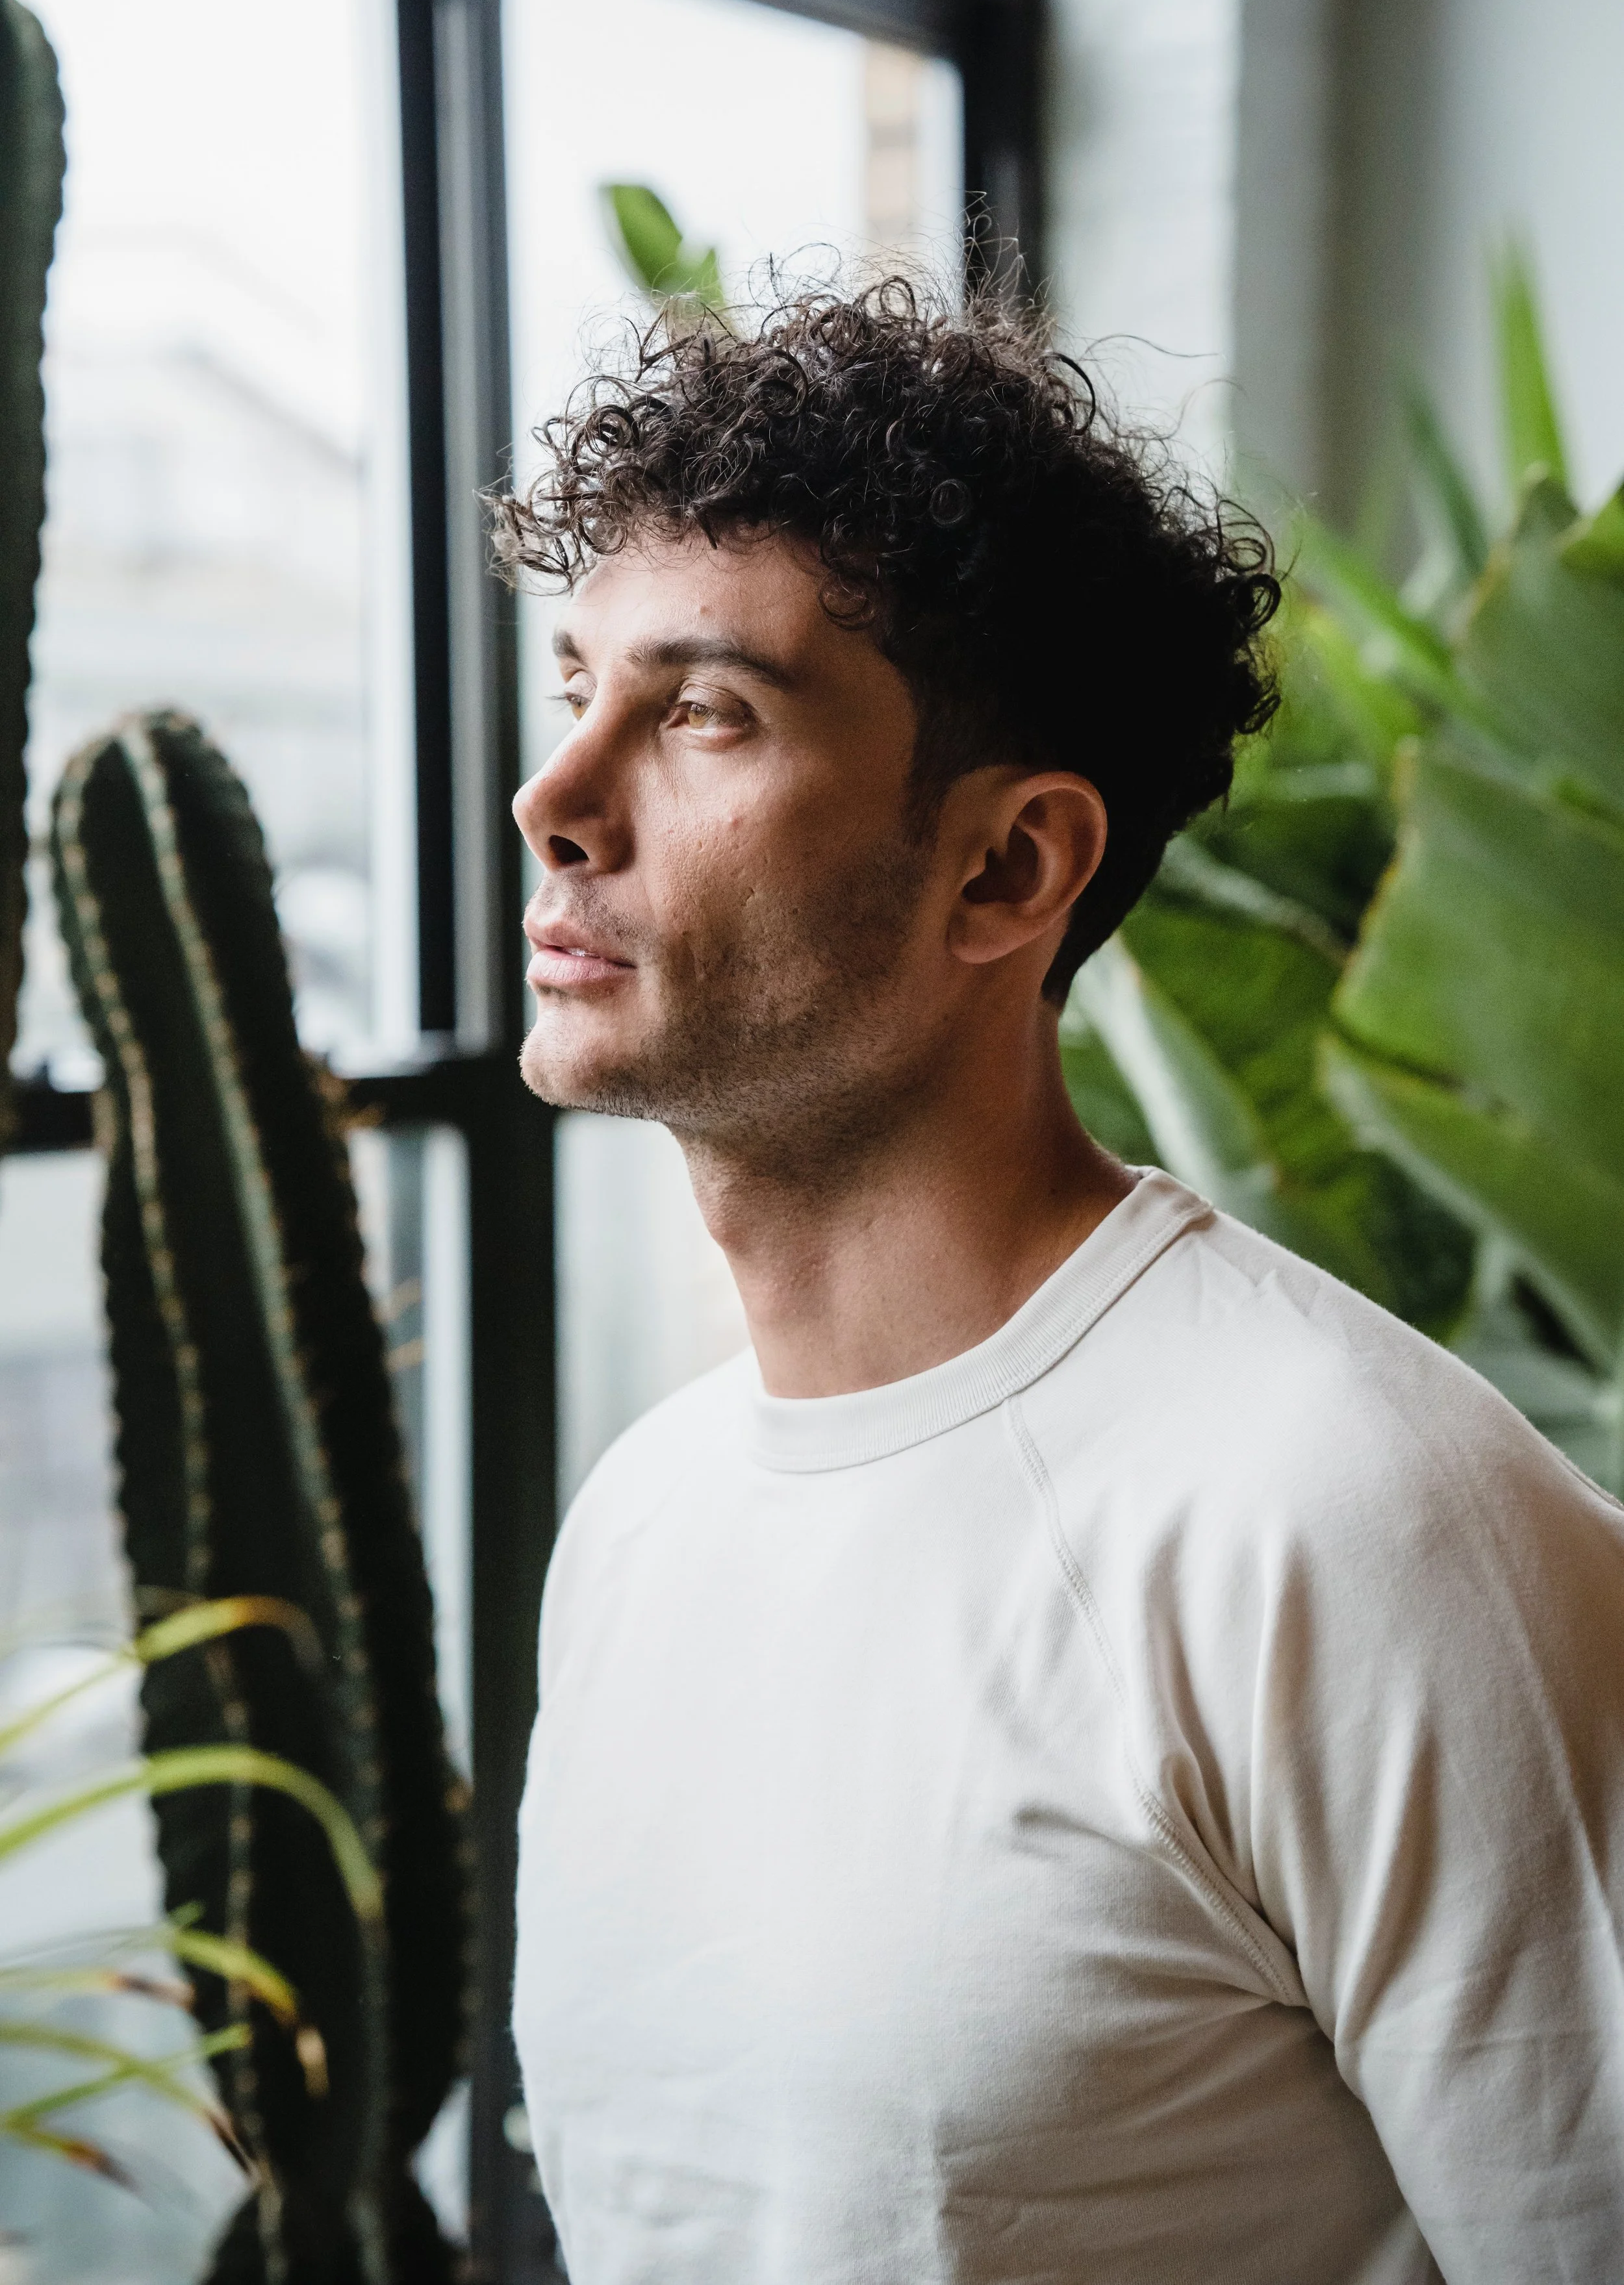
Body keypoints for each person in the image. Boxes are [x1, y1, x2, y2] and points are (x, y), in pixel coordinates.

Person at [500, 282, 1624, 2285]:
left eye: (701, 712)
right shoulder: (642, 1518)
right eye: (575, 680)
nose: (555, 796)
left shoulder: (1366, 1524)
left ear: (1008, 873)